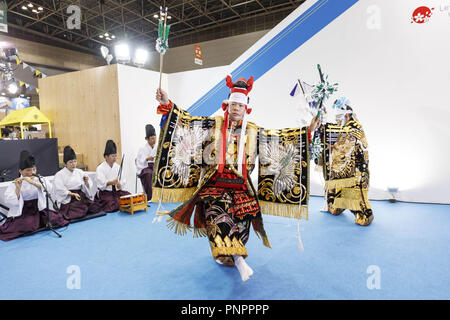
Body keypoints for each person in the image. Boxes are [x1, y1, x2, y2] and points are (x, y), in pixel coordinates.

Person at [154, 75, 320, 281]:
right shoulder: (213, 125)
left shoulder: (253, 130)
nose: (235, 109)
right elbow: (187, 124)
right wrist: (166, 104)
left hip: (241, 185)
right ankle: (238, 258)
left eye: (239, 106)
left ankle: (232, 253)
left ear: (246, 109)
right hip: (214, 184)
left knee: (243, 219)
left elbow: (281, 140)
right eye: (233, 104)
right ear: (227, 105)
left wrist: (309, 131)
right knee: (219, 212)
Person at [319, 97, 373, 226]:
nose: (337, 120)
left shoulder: (355, 128)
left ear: (346, 116)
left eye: (339, 117)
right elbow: (335, 136)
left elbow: (344, 144)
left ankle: (364, 213)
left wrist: (331, 145)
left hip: (356, 170)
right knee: (336, 189)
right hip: (345, 168)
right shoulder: (344, 128)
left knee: (358, 204)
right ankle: (337, 206)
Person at [0, 150, 69, 241]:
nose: (32, 172)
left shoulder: (39, 178)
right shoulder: (15, 182)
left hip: (38, 209)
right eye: (28, 170)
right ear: (20, 171)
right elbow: (10, 201)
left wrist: (34, 183)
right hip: (24, 211)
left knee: (57, 219)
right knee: (28, 225)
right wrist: (17, 188)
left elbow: (50, 189)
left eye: (34, 169)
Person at [53, 146, 102, 221]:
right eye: (70, 162)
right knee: (77, 211)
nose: (73, 164)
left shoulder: (80, 172)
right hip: (69, 198)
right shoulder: (59, 175)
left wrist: (86, 182)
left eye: (75, 161)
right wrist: (72, 194)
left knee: (96, 207)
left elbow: (88, 187)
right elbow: (59, 189)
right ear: (65, 163)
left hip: (80, 196)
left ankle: (84, 209)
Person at [95, 140, 130, 213]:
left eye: (115, 156)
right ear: (106, 156)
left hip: (117, 192)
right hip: (106, 192)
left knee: (129, 197)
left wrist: (120, 185)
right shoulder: (100, 168)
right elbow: (101, 184)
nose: (115, 158)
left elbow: (122, 180)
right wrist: (111, 182)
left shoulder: (117, 167)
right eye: (112, 156)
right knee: (111, 205)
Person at [136, 124, 157, 203]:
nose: (154, 140)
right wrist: (147, 159)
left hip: (154, 166)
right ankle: (150, 196)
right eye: (152, 138)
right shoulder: (142, 148)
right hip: (145, 167)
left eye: (155, 138)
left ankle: (159, 195)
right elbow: (139, 161)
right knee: (149, 173)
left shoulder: (156, 147)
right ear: (147, 139)